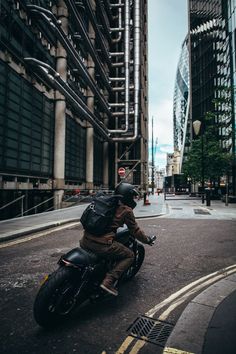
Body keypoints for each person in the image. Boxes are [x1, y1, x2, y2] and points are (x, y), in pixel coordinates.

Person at [80, 183, 154, 296]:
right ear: (127, 196)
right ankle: (108, 282)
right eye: (132, 196)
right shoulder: (126, 210)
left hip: (85, 240)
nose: (133, 199)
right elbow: (136, 231)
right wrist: (147, 240)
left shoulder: (103, 201)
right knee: (130, 255)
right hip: (102, 245)